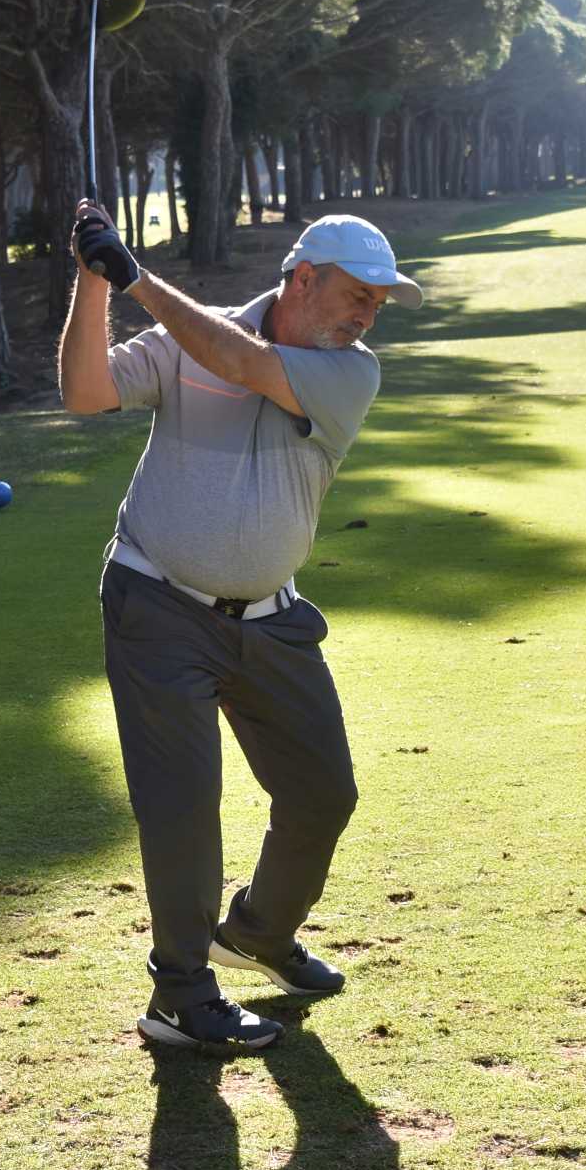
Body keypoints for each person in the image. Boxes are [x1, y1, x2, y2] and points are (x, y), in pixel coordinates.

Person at [58, 199, 422, 1056]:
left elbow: (242, 360)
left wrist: (138, 278)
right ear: (304, 279)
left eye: (379, 303)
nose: (368, 316)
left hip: (272, 619)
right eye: (358, 295)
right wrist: (93, 282)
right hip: (157, 604)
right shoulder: (190, 337)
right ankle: (181, 996)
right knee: (183, 806)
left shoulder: (350, 372)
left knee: (323, 794)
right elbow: (85, 392)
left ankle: (258, 932)